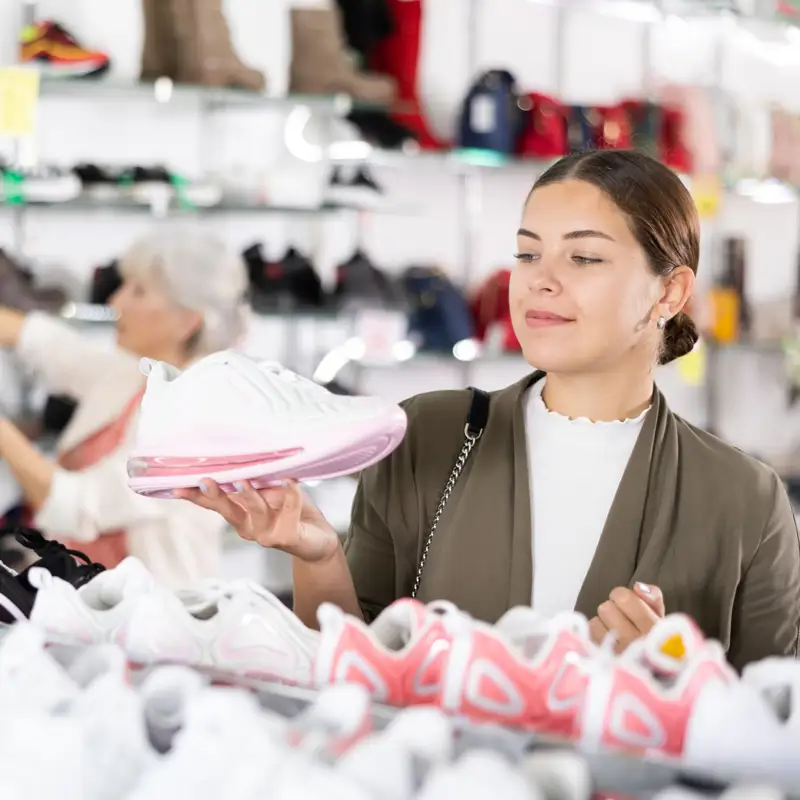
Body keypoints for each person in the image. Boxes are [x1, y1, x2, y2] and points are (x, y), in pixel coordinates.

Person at [182, 150, 800, 670]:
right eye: (529, 254)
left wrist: (675, 682)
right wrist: (316, 554)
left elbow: (772, 731)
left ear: (669, 291)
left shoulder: (743, 500)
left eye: (583, 258)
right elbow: (347, 666)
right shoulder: (426, 435)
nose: (540, 280)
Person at [0, 226, 249, 588]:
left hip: (158, 623)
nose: (115, 302)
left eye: (138, 291)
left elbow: (79, 507)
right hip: (93, 605)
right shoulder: (140, 372)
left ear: (187, 321)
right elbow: (58, 350)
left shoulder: (192, 424)